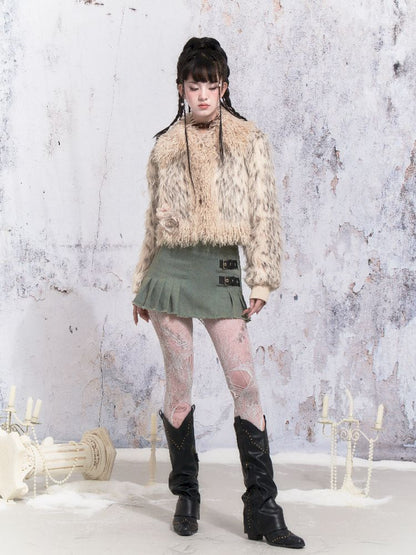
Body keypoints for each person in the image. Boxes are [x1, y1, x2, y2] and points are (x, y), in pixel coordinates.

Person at [132, 37, 305, 549]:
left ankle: (263, 507)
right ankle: (186, 495)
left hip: (222, 273)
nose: (203, 94)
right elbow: (152, 222)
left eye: (212, 84)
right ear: (181, 89)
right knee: (179, 387)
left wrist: (263, 278)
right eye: (194, 85)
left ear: (224, 86)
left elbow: (265, 213)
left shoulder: (249, 140)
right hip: (168, 276)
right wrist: (141, 282)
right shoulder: (166, 145)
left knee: (244, 382)